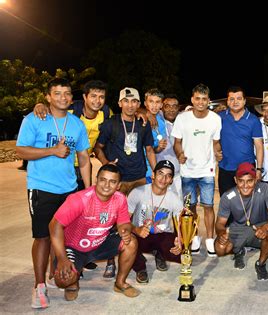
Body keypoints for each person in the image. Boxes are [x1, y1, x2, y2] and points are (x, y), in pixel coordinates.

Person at [16, 78, 91, 309]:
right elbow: (21, 150)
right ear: (48, 97)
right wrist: (52, 150)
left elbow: (84, 158)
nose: (63, 98)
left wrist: (87, 191)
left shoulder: (76, 124)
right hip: (41, 188)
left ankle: (63, 274)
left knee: (67, 237)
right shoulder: (34, 119)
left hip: (69, 189)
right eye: (57, 93)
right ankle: (39, 287)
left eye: (67, 93)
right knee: (43, 237)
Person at [49, 164, 140, 301]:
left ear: (118, 185)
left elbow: (123, 223)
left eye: (112, 181)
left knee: (131, 242)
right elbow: (54, 226)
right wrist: (62, 259)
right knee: (63, 280)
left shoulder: (120, 198)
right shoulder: (79, 199)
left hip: (99, 243)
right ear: (96, 180)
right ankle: (72, 284)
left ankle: (120, 283)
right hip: (74, 247)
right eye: (103, 180)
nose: (107, 185)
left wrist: (125, 231)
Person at [171, 83, 222, 256]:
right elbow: (177, 142)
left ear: (208, 100)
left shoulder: (215, 119)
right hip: (187, 171)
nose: (200, 102)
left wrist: (218, 153)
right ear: (192, 99)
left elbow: (215, 143)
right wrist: (180, 154)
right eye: (197, 99)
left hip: (206, 170)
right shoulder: (182, 118)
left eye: (204, 99)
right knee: (190, 207)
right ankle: (193, 237)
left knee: (208, 206)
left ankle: (209, 239)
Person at [214, 162, 268, 280]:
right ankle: (239, 251)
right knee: (220, 249)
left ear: (255, 180)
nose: (245, 185)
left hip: (259, 229)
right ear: (235, 180)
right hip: (239, 229)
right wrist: (221, 234)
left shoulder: (265, 189)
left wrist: (265, 228)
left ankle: (261, 264)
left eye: (249, 181)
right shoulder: (228, 196)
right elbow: (220, 223)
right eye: (241, 181)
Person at [94, 87, 156, 195]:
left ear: (138, 104)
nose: (130, 105)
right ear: (120, 103)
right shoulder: (110, 123)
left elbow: (149, 150)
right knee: (115, 210)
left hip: (139, 177)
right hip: (117, 178)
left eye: (134, 101)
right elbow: (98, 147)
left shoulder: (143, 124)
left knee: (138, 211)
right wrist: (106, 163)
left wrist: (155, 170)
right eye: (126, 101)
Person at [128, 160, 183, 283]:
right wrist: (136, 229)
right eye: (160, 173)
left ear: (171, 180)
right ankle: (140, 268)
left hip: (162, 235)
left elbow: (181, 224)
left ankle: (160, 253)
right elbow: (123, 221)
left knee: (180, 247)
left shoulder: (175, 200)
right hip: (141, 234)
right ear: (153, 175)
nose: (163, 178)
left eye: (168, 175)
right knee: (126, 239)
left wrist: (180, 239)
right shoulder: (138, 193)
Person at [218, 86, 264, 196]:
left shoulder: (253, 120)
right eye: (232, 99)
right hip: (225, 168)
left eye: (239, 98)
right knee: (227, 202)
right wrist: (216, 151)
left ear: (244, 101)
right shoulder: (219, 118)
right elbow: (212, 138)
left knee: (247, 204)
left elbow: (259, 146)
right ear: (227, 101)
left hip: (247, 169)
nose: (235, 102)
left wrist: (259, 169)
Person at [143, 88, 167, 183]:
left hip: (150, 170)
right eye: (151, 101)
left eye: (157, 102)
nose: (154, 105)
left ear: (161, 105)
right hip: (135, 168)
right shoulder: (139, 117)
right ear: (145, 103)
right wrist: (146, 113)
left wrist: (160, 147)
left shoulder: (161, 123)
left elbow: (155, 149)